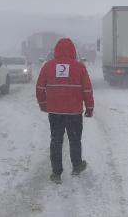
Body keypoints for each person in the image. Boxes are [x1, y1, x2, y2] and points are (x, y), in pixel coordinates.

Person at [36, 38, 94, 184]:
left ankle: (56, 173)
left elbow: (40, 88)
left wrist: (43, 104)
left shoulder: (48, 66)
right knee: (75, 140)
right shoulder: (79, 67)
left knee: (56, 141)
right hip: (74, 112)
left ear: (56, 50)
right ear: (73, 50)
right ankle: (76, 166)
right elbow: (87, 89)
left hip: (55, 112)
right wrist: (89, 108)